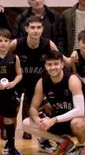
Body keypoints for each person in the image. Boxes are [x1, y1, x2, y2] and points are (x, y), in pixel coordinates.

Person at [22, 50, 85, 155]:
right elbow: (33, 108)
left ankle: (81, 147)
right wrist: (39, 121)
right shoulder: (42, 82)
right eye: (49, 64)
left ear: (62, 65)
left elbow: (80, 110)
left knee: (77, 123)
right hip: (58, 120)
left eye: (56, 64)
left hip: (78, 119)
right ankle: (64, 143)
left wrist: (53, 120)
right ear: (45, 66)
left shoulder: (72, 80)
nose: (53, 67)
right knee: (26, 123)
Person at [9, 16, 60, 145]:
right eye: (32, 27)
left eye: (38, 27)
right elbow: (2, 54)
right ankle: (10, 141)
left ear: (43, 29)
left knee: (46, 109)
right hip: (18, 81)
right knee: (12, 110)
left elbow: (62, 60)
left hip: (39, 83)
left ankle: (44, 139)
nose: (35, 30)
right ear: (26, 28)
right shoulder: (16, 43)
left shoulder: (48, 44)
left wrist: (76, 55)